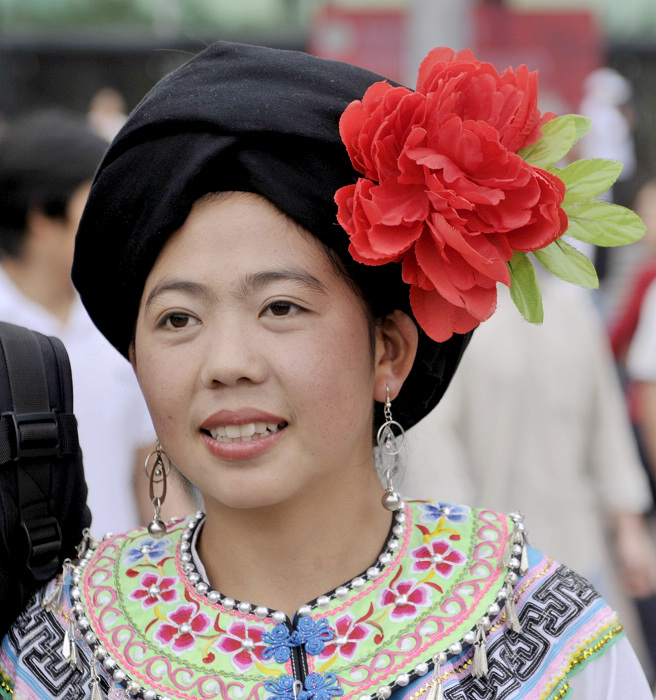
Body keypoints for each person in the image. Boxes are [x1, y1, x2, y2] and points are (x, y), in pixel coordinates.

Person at [0, 43, 651, 700]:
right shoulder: (65, 648)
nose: (227, 364)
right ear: (135, 359)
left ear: (389, 351)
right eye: (177, 319)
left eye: (281, 307)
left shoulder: (541, 640)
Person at [0, 111, 164, 535]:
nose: (113, 219)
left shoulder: (119, 318)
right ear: (42, 220)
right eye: (94, 201)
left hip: (115, 588)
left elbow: (149, 469)